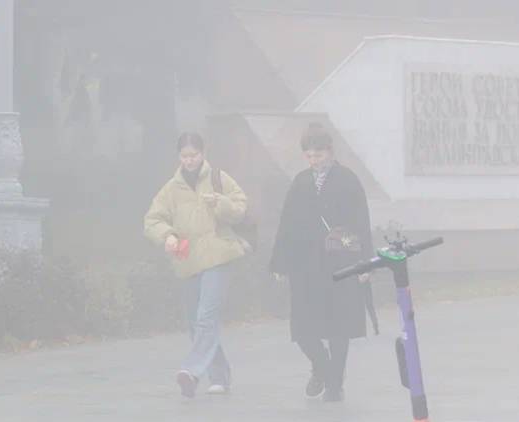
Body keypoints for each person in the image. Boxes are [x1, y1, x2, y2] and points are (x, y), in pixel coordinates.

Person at [270, 123, 374, 402]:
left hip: (340, 263)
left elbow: (362, 223)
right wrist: (280, 263)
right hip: (305, 265)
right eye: (309, 156)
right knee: (303, 327)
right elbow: (287, 224)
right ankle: (322, 366)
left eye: (318, 155)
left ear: (329, 151)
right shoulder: (301, 181)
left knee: (339, 326)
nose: (314, 161)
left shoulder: (348, 180)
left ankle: (335, 383)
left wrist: (365, 264)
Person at [144, 132, 249, 397]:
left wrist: (221, 203)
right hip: (187, 260)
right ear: (179, 157)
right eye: (185, 156)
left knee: (206, 317)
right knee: (195, 322)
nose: (189, 161)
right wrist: (166, 235)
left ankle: (191, 371)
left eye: (194, 155)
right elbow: (152, 220)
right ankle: (220, 375)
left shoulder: (219, 178)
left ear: (203, 154)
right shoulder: (171, 189)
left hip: (218, 255)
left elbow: (240, 208)